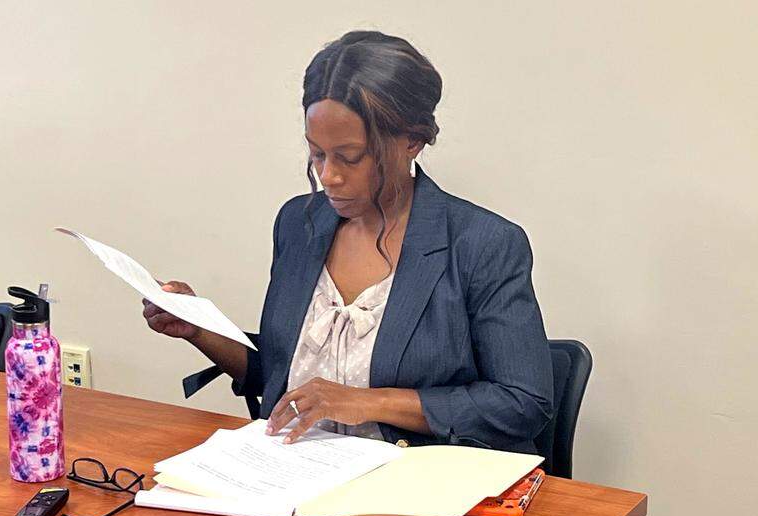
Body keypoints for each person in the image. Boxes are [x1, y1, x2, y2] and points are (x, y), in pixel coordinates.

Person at [143, 30, 553, 452]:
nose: (329, 176)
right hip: (295, 478)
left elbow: (523, 402)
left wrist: (367, 402)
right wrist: (199, 328)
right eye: (317, 154)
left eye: (350, 156)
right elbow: (284, 369)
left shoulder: (483, 244)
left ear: (411, 140)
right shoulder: (298, 224)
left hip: (416, 488)